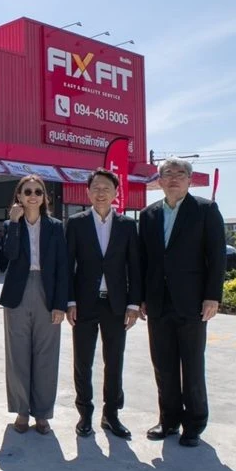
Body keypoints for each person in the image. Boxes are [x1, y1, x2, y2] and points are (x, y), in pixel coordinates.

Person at [139, 158, 225, 447]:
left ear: (189, 180)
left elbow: (217, 256)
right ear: (159, 181)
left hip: (192, 302)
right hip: (157, 302)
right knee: (163, 365)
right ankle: (168, 420)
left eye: (180, 173)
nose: (174, 178)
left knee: (192, 365)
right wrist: (141, 297)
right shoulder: (148, 215)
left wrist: (212, 296)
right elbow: (143, 260)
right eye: (168, 173)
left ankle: (195, 423)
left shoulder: (205, 210)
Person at [65, 168, 141, 439]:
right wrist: (69, 301)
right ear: (87, 192)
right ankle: (85, 414)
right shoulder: (76, 223)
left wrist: (134, 304)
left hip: (116, 305)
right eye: (96, 188)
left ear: (116, 193)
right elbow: (67, 265)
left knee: (114, 361)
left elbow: (135, 266)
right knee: (82, 362)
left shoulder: (127, 225)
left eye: (106, 188)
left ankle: (111, 415)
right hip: (84, 303)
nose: (100, 193)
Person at [0, 175, 68, 435]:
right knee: (17, 353)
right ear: (18, 196)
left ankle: (42, 413)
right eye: (27, 191)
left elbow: (62, 266)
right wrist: (15, 223)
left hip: (46, 291)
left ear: (44, 197)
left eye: (38, 192)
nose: (32, 196)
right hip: (17, 291)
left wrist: (60, 304)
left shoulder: (55, 227)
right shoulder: (10, 224)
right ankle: (21, 410)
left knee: (46, 354)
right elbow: (8, 256)